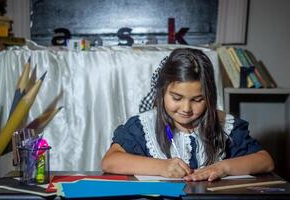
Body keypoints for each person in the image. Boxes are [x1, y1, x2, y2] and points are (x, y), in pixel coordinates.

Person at [101, 48, 274, 181]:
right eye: (176, 98)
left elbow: (265, 161)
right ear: (162, 93)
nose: (186, 108)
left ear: (210, 97)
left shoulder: (225, 125)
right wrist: (161, 167)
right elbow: (110, 161)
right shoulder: (144, 126)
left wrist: (224, 168)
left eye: (198, 99)